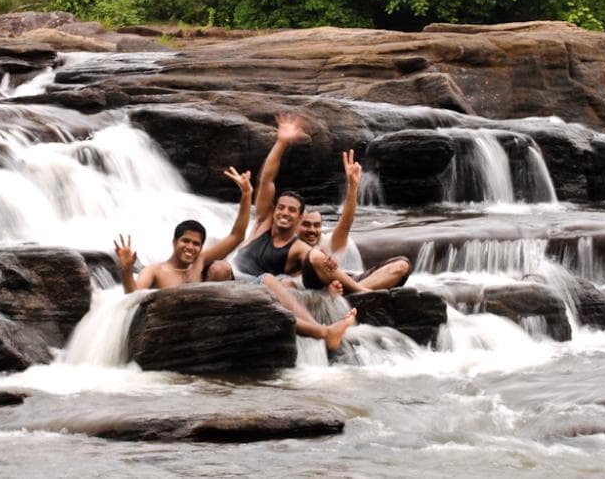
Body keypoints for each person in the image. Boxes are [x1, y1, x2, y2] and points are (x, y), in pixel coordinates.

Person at [234, 113, 361, 350]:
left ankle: (324, 333)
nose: (283, 212)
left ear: (300, 217)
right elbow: (266, 180)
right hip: (233, 281)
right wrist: (281, 143)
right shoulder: (263, 221)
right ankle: (325, 332)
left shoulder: (299, 247)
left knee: (274, 280)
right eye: (280, 207)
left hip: (257, 290)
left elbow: (315, 262)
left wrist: (330, 272)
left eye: (291, 210)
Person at [115, 166, 252, 293]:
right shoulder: (155, 270)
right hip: (170, 317)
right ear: (174, 242)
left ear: (201, 247)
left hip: (206, 312)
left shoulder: (200, 261)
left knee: (222, 268)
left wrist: (246, 195)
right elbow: (133, 295)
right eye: (185, 241)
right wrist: (126, 270)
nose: (190, 247)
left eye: (196, 243)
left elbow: (236, 236)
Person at [295, 149, 411, 290]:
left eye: (316, 225)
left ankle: (357, 291)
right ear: (295, 225)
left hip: (346, 284)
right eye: (306, 225)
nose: (312, 230)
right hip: (320, 287)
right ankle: (360, 291)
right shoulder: (289, 247)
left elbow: (346, 222)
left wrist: (353, 186)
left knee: (402, 265)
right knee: (315, 256)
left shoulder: (328, 241)